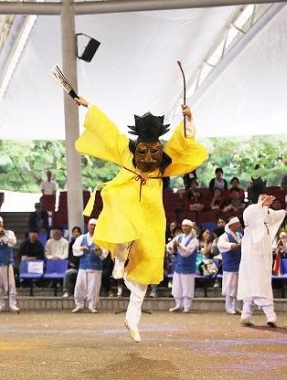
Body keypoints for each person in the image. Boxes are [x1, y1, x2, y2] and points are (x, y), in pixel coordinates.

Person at [74, 96, 207, 342]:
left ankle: (132, 317)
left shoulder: (164, 163)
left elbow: (182, 143)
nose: (147, 158)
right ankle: (119, 259)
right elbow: (107, 131)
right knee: (123, 225)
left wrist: (188, 118)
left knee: (149, 263)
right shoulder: (126, 151)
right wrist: (89, 106)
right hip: (125, 201)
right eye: (142, 151)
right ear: (136, 147)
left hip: (153, 215)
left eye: (153, 151)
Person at [237, 178, 285, 328]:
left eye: (266, 196)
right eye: (262, 196)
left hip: (263, 249)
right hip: (251, 249)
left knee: (261, 278)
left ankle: (246, 315)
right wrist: (261, 206)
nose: (264, 199)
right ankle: (270, 315)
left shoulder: (265, 211)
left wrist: (284, 211)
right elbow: (252, 218)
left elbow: (274, 216)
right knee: (256, 279)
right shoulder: (251, 209)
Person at [72, 219, 108, 314]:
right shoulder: (81, 238)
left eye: (95, 226)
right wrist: (81, 249)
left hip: (95, 267)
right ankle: (79, 304)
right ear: (88, 226)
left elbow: (104, 254)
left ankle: (92, 306)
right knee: (79, 286)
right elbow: (74, 248)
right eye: (91, 225)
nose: (93, 227)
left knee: (94, 288)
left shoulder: (101, 239)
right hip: (83, 266)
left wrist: (99, 252)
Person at [166, 219, 198, 313]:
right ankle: (178, 305)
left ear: (191, 227)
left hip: (188, 266)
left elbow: (187, 252)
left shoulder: (194, 240)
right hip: (179, 265)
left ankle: (186, 306)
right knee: (177, 286)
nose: (184, 228)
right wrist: (173, 247)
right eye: (183, 226)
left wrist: (178, 245)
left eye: (186, 226)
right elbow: (169, 246)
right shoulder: (179, 237)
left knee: (187, 286)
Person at [216, 216, 243, 314]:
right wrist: (230, 245)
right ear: (232, 225)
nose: (239, 225)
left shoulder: (240, 235)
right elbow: (220, 245)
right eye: (237, 224)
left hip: (239, 264)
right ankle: (228, 307)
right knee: (230, 287)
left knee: (238, 287)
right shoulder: (225, 236)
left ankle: (236, 307)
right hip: (230, 265)